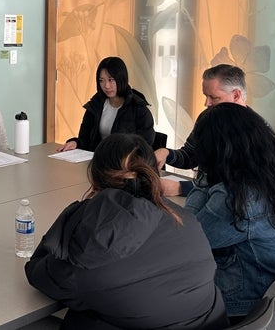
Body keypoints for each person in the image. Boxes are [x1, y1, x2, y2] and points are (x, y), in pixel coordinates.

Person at [25, 134, 228, 330]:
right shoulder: (186, 219)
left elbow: (37, 272)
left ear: (94, 181)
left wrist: (73, 219)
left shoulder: (89, 254)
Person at [185, 103, 275, 318]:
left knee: (171, 279)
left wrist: (204, 175)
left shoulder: (238, 197)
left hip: (259, 307)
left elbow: (190, 238)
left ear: (214, 151)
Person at [156, 64, 247, 196]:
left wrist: (183, 188)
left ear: (236, 95)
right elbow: (191, 155)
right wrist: (166, 154)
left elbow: (238, 185)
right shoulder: (206, 118)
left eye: (214, 98)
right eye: (205, 96)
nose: (207, 103)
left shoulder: (253, 131)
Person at [56, 56, 154, 152]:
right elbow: (85, 138)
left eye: (111, 80)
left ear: (121, 79)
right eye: (101, 80)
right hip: (95, 162)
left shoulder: (138, 108)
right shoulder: (96, 104)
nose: (106, 86)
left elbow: (144, 147)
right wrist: (76, 143)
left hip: (123, 165)